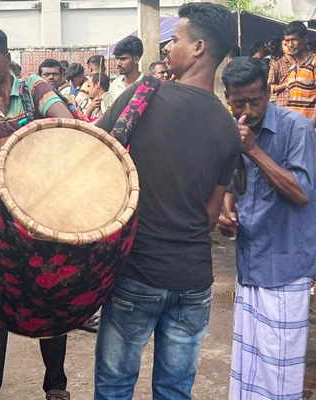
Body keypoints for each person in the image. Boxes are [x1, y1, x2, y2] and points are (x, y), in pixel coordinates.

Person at [94, 3, 240, 399]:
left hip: (138, 273)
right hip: (193, 282)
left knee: (114, 386)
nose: (167, 47)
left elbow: (90, 151)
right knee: (175, 390)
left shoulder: (144, 97)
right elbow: (211, 215)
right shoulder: (229, 127)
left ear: (198, 48)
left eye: (175, 39)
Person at [0, 27, 74, 400]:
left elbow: (68, 128)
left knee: (50, 301)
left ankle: (56, 387)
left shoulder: (34, 89)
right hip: (2, 222)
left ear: (7, 57)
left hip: (45, 215)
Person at [218, 56, 316, 400]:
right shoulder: (234, 132)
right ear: (228, 98)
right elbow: (234, 185)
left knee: (279, 370)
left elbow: (302, 194)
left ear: (267, 93)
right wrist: (226, 214)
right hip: (251, 263)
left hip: (285, 267)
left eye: (255, 100)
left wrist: (254, 150)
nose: (248, 108)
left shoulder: (296, 128)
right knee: (249, 368)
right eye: (238, 102)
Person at [284, 21, 316, 175]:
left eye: (294, 40)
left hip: (308, 129)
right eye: (287, 41)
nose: (290, 45)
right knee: (294, 173)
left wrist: (310, 126)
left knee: (308, 173)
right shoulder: (293, 67)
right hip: (293, 129)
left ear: (304, 40)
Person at [105, 36, 144, 108]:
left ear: (136, 59)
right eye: (117, 59)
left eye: (123, 59)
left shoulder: (147, 84)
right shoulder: (115, 85)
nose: (118, 64)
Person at [267, 39, 292, 108]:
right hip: (283, 104)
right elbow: (270, 88)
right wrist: (286, 85)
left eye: (289, 44)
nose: (288, 46)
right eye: (285, 45)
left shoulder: (301, 63)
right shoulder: (277, 65)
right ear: (281, 48)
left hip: (300, 106)